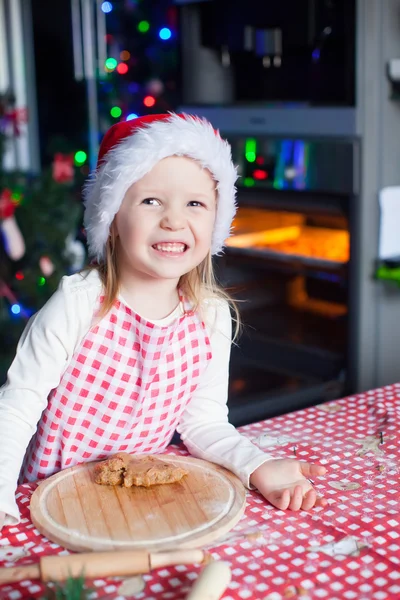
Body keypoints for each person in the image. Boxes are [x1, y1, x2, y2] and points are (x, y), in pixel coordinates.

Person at [0, 113, 327, 532]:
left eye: (194, 203)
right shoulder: (76, 305)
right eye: (151, 200)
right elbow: (17, 407)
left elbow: (204, 422)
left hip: (141, 507)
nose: (174, 220)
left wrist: (258, 465)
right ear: (113, 220)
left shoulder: (210, 315)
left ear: (215, 221)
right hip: (53, 507)